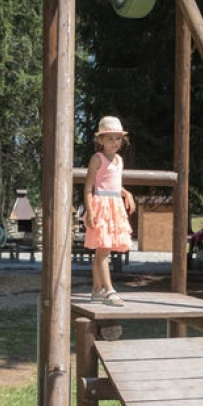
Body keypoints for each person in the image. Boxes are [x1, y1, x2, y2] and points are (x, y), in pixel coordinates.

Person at [83, 116, 136, 307]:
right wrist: (90, 211)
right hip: (101, 207)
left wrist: (126, 193)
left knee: (103, 251)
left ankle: (97, 289)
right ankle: (109, 290)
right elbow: (89, 187)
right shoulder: (97, 159)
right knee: (103, 251)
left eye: (118, 138)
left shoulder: (119, 160)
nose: (115, 142)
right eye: (110, 138)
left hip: (115, 205)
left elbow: (114, 184)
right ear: (101, 140)